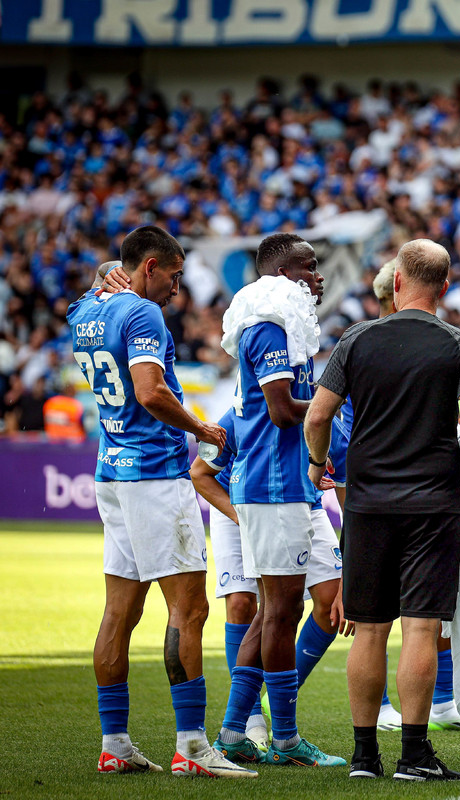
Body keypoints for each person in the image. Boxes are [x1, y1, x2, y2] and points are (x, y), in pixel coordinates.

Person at [305, 239, 460, 781]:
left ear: (396, 281)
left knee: (368, 629)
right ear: (446, 286)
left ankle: (365, 757)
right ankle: (413, 755)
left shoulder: (357, 338)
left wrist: (317, 466)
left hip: (366, 501)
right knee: (420, 629)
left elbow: (317, 417)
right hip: (433, 502)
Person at [68, 230, 250, 778]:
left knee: (120, 610)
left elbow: (100, 278)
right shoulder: (143, 314)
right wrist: (200, 428)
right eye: (172, 276)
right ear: (149, 267)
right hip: (154, 473)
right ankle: (193, 746)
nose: (177, 289)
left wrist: (107, 277)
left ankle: (115, 744)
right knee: (190, 609)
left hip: (112, 471)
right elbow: (149, 390)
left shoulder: (86, 310)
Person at [212, 233, 343, 769]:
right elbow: (283, 411)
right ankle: (280, 738)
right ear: (285, 273)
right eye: (310, 268)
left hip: (295, 485)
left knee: (300, 606)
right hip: (271, 484)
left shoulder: (280, 326)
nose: (318, 278)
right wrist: (341, 400)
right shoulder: (267, 326)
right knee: (278, 613)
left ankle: (237, 731)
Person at [189, 404, 353, 746]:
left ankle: (275, 697)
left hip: (304, 505)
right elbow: (200, 474)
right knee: (244, 604)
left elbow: (351, 503)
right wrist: (242, 520)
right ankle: (251, 720)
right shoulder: (238, 416)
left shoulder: (327, 425)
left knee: (328, 603)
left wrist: (353, 570)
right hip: (238, 505)